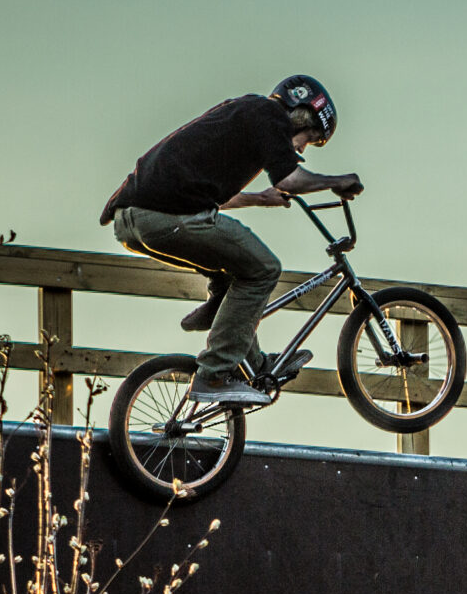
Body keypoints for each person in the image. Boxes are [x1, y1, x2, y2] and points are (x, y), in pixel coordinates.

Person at [100, 75, 362, 405]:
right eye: (308, 138)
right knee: (264, 269)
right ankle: (213, 374)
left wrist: (260, 199)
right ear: (300, 114)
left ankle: (241, 343)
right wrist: (338, 181)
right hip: (163, 216)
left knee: (236, 273)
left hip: (133, 220)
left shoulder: (244, 116)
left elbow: (208, 198)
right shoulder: (269, 114)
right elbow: (290, 178)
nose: (300, 148)